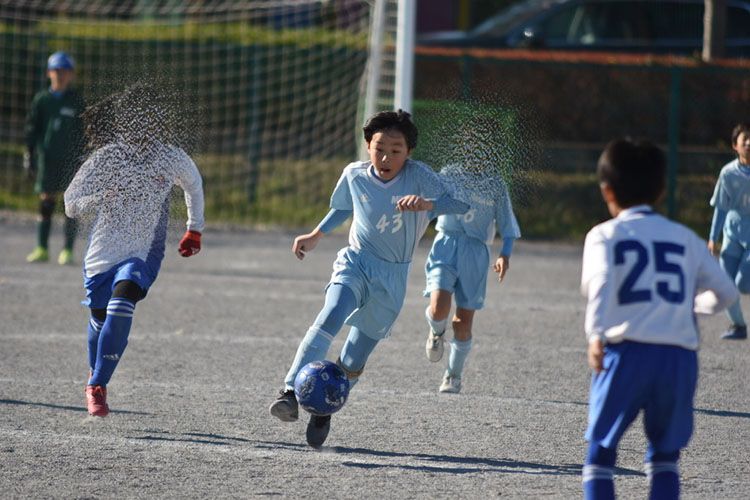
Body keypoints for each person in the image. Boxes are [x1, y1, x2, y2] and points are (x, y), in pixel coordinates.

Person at [268, 109, 469, 448]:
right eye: (379, 147)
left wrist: (427, 204)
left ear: (408, 152)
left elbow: (459, 204)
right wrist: (316, 234)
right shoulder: (354, 174)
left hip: (392, 278)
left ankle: (322, 410)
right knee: (331, 314)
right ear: (367, 145)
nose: (386, 156)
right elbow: (344, 208)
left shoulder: (420, 176)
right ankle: (288, 392)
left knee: (352, 360)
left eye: (396, 149)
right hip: (356, 261)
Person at [580, 139, 738, 500]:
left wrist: (596, 334)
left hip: (626, 353)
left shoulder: (603, 235)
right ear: (662, 190)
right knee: (665, 457)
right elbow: (727, 293)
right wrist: (692, 306)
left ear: (607, 191)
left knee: (600, 454)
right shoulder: (685, 238)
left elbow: (600, 285)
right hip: (677, 357)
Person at [64, 84, 205, 417]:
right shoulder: (108, 157)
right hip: (103, 252)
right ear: (125, 123)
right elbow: (71, 204)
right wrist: (100, 198)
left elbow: (194, 185)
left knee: (124, 298)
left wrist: (194, 229)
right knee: (99, 315)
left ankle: (97, 385)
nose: (145, 128)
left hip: (142, 253)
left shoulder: (170, 156)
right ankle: (95, 372)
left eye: (151, 121)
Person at [423, 171, 520, 394]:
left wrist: (505, 254)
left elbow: (508, 224)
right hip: (446, 244)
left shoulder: (495, 183)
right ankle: (436, 332)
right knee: (439, 308)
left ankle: (453, 375)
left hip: (476, 253)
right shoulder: (448, 173)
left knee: (462, 323)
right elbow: (429, 204)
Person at [24, 51, 86, 265]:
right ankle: (42, 248)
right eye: (56, 70)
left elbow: (84, 132)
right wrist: (29, 154)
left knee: (72, 205)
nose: (60, 75)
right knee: (47, 201)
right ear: (49, 73)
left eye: (65, 71)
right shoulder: (42, 100)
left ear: (71, 75)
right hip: (47, 159)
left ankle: (67, 251)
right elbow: (32, 130)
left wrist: (83, 156)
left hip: (71, 161)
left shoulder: (77, 101)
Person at [708, 122, 750, 340]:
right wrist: (713, 238)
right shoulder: (728, 173)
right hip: (732, 235)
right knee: (725, 286)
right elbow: (721, 208)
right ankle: (738, 326)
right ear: (736, 145)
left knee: (744, 284)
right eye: (746, 140)